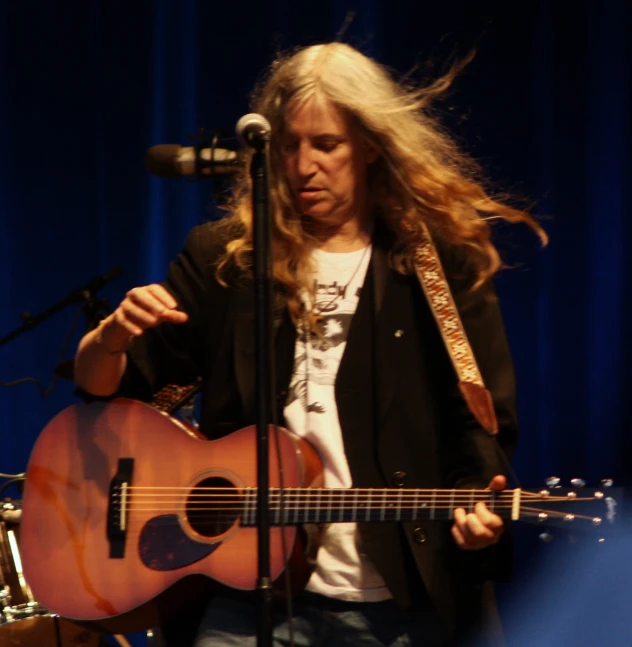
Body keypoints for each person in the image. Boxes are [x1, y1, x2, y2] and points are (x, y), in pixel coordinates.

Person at [74, 43, 545, 647]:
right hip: (247, 595)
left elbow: (482, 423)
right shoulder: (226, 259)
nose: (303, 166)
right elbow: (102, 390)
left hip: (401, 595)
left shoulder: (436, 262)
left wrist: (478, 512)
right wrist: (110, 337)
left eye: (326, 144)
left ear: (370, 146)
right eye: (290, 146)